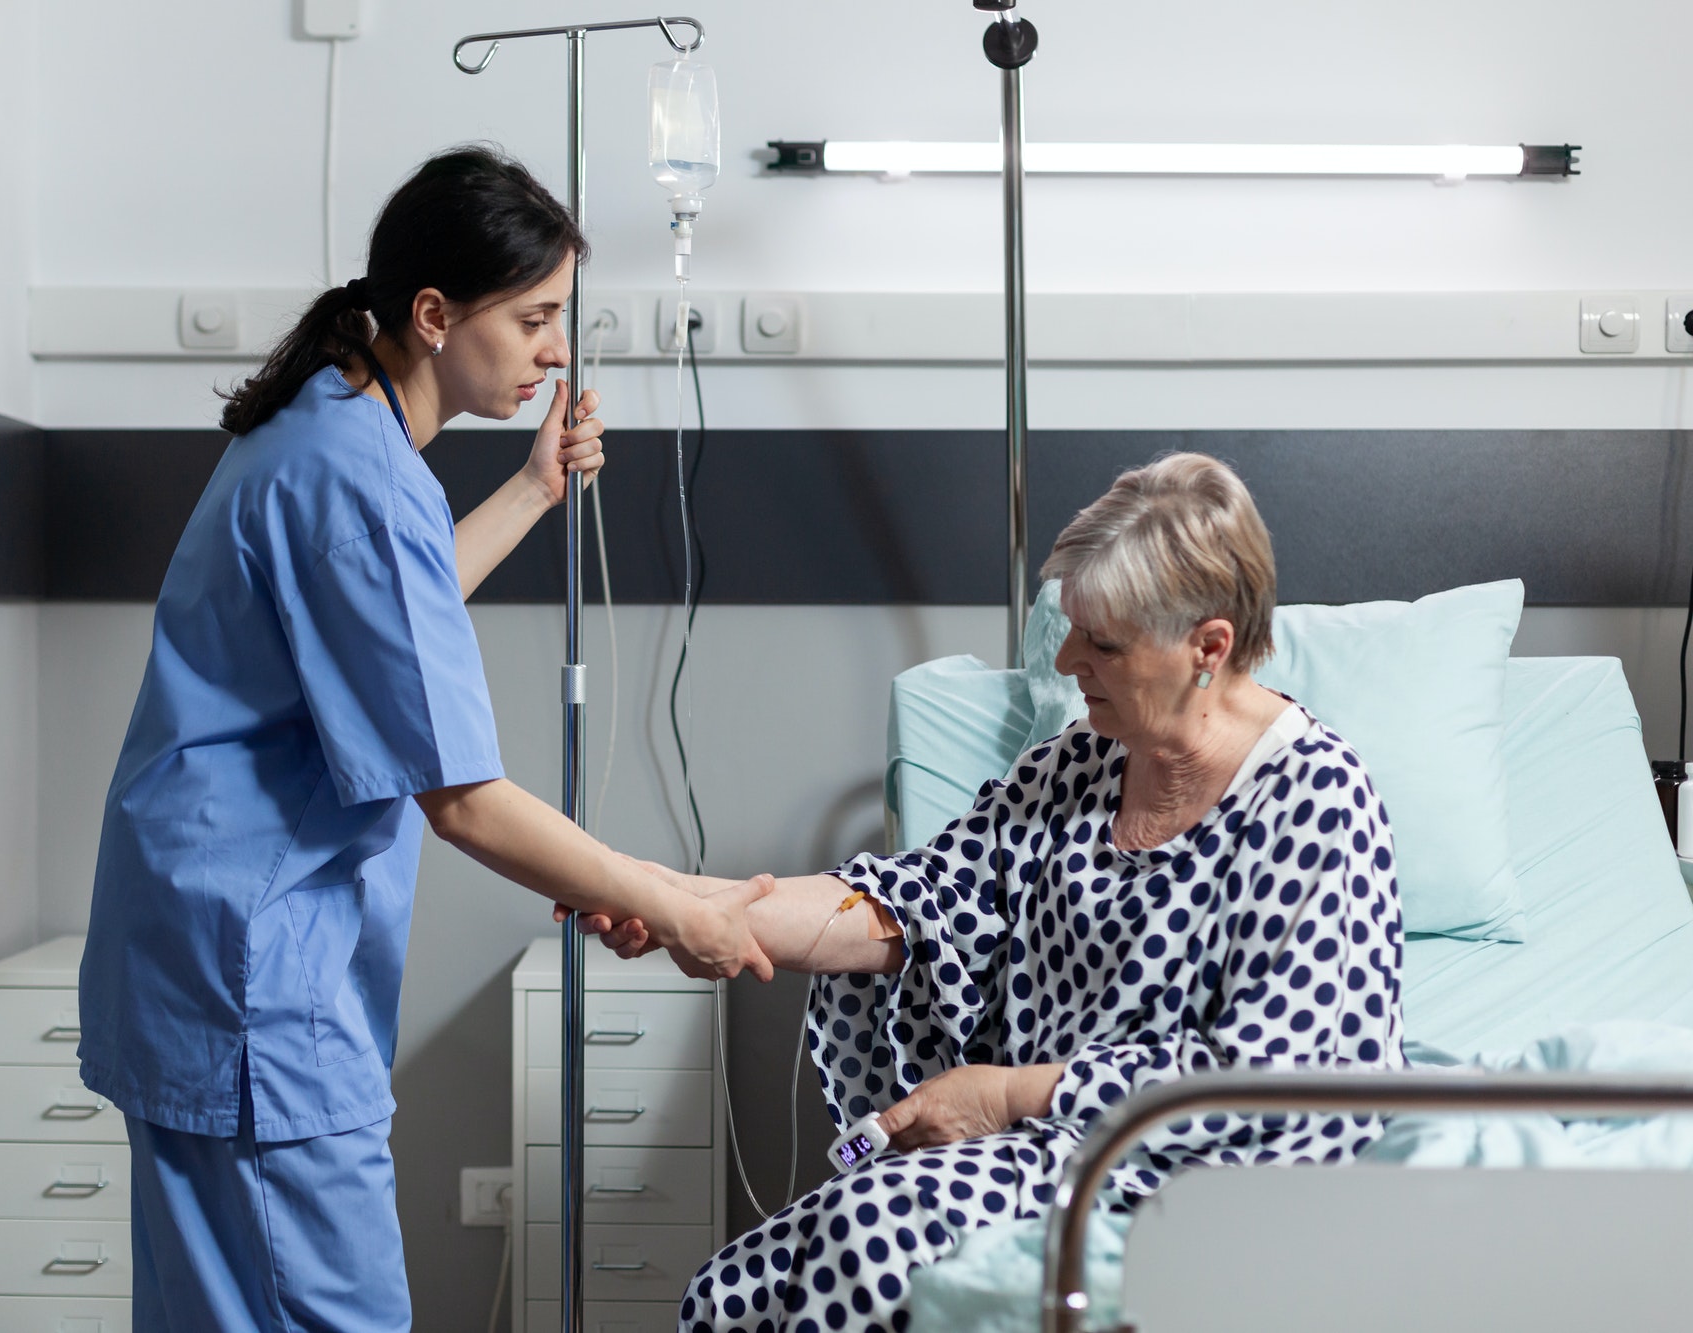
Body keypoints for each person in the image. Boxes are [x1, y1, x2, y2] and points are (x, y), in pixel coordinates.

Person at [76, 146, 774, 1333]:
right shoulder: (358, 474)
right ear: (436, 314)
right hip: (257, 989)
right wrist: (669, 904)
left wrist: (535, 488)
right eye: (537, 317)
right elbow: (462, 798)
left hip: (201, 951)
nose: (556, 349)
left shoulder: (328, 429)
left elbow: (381, 625)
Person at [593, 453, 1406, 1333]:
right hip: (1034, 1149)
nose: (1065, 661)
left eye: (1101, 642)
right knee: (738, 1287)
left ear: (1207, 646)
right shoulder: (1075, 766)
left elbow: (1261, 1078)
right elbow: (912, 905)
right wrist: (676, 897)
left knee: (868, 1233)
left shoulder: (1317, 802)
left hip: (1190, 1176)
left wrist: (1008, 1094)